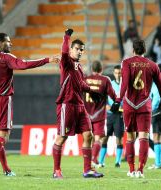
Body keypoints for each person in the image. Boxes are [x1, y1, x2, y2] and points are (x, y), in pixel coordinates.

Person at [0, 32, 59, 176]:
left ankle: (6, 170)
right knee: (4, 138)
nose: (11, 44)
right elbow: (24, 65)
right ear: (0, 43)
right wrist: (47, 59)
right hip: (3, 100)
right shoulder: (6, 58)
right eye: (8, 42)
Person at [111, 39, 161, 178]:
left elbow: (124, 83)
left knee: (130, 137)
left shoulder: (126, 63)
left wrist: (118, 100)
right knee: (144, 137)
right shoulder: (153, 65)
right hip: (144, 105)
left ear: (133, 50)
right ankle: (140, 170)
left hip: (129, 105)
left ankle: (131, 169)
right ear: (145, 50)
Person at [52, 29, 103, 179]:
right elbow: (63, 51)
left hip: (80, 106)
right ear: (71, 49)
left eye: (82, 50)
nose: (80, 52)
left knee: (89, 135)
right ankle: (56, 171)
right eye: (77, 49)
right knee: (62, 137)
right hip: (67, 105)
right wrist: (66, 37)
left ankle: (87, 170)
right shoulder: (66, 61)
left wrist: (92, 91)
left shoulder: (78, 66)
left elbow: (80, 83)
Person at [83, 60, 116, 167]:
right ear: (101, 69)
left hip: (86, 113)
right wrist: (117, 101)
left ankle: (88, 161)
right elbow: (112, 95)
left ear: (92, 69)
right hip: (99, 114)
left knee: (87, 138)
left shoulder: (85, 79)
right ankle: (94, 157)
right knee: (98, 138)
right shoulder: (105, 80)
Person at [98, 65, 124, 168]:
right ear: (113, 73)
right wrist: (106, 105)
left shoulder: (125, 85)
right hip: (109, 115)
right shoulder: (111, 84)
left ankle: (118, 162)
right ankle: (101, 161)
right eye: (116, 73)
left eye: (120, 73)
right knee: (104, 138)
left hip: (119, 115)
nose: (118, 74)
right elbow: (103, 97)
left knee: (119, 139)